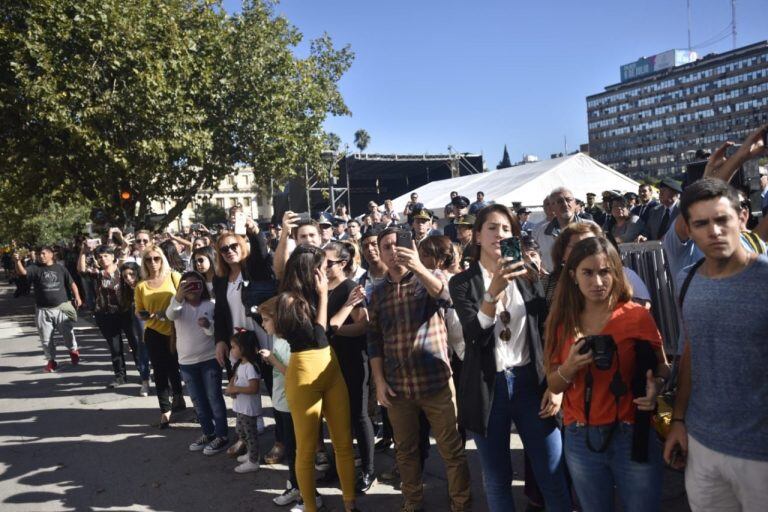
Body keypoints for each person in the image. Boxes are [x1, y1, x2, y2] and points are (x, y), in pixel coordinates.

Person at [448, 205, 570, 512]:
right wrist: (492, 294)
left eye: (507, 229)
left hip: (531, 382)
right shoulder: (462, 282)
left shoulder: (529, 277)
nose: (500, 235)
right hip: (488, 387)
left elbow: (548, 331)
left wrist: (556, 386)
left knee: (552, 473)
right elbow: (475, 335)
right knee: (497, 478)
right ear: (476, 235)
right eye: (492, 227)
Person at [663, 179, 768, 511]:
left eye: (722, 219)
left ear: (742, 217)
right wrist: (678, 420)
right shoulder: (688, 279)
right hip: (702, 444)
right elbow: (693, 351)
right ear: (690, 231)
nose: (714, 231)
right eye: (702, 223)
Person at [544, 237, 669, 512]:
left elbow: (663, 367)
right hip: (580, 436)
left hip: (631, 431)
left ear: (616, 272)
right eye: (588, 273)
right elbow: (553, 383)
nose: (597, 282)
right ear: (573, 275)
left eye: (605, 272)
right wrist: (570, 367)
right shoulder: (562, 320)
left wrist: (655, 388)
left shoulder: (636, 315)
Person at [368, 227, 471, 512]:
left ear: (412, 246)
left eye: (396, 244)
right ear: (380, 253)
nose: (392, 251)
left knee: (452, 450)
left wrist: (416, 265)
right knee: (406, 452)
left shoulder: (431, 277)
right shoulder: (376, 294)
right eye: (386, 247)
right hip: (398, 387)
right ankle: (412, 502)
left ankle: (461, 504)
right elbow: (374, 340)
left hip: (435, 381)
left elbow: (445, 296)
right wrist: (378, 381)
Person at [273, 245, 361, 512]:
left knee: (344, 442)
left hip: (329, 368)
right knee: (307, 449)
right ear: (311, 271)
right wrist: (324, 296)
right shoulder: (287, 301)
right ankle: (310, 506)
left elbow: (328, 333)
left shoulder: (311, 295)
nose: (326, 272)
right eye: (322, 268)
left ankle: (350, 504)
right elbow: (318, 336)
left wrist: (348, 303)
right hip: (304, 375)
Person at [324, 242, 376, 493]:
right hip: (330, 362)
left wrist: (334, 331)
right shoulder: (322, 288)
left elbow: (363, 325)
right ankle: (340, 466)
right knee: (336, 417)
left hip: (353, 360)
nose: (323, 266)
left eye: (328, 262)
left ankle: (368, 470)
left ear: (342, 264)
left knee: (358, 414)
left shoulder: (350, 288)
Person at [166, 271, 228, 455]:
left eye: (197, 285)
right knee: (198, 401)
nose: (193, 289)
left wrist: (208, 325)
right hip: (186, 362)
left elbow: (216, 332)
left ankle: (222, 435)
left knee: (214, 398)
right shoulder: (178, 306)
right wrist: (178, 296)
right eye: (188, 285)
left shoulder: (211, 304)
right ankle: (208, 433)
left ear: (203, 287)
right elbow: (170, 315)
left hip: (209, 359)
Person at [134, 244, 186, 428]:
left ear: (162, 259)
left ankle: (179, 397)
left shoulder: (174, 277)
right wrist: (145, 315)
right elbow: (138, 311)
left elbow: (186, 301)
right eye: (148, 259)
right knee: (160, 369)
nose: (153, 262)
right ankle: (165, 410)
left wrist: (166, 312)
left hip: (176, 330)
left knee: (175, 367)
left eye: (156, 258)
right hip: (153, 332)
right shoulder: (141, 286)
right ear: (144, 262)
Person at [257, 296, 301, 507]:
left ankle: (306, 494)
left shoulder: (291, 344)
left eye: (266, 319)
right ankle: (294, 485)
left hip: (292, 405)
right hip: (281, 402)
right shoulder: (277, 339)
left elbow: (293, 374)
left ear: (279, 319)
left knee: (296, 451)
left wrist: (272, 359)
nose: (263, 324)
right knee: (291, 450)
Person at [13, 246, 82, 372]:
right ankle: (51, 361)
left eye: (44, 253)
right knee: (46, 338)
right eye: (40, 254)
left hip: (61, 308)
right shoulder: (35, 268)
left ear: (51, 255)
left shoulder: (60, 268)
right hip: (43, 310)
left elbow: (71, 283)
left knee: (68, 333)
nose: (41, 256)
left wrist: (77, 297)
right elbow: (22, 272)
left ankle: (73, 351)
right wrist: (17, 261)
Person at [79, 245, 129, 387]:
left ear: (113, 257)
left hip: (125, 313)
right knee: (115, 348)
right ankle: (120, 376)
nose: (103, 259)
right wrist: (83, 252)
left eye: (106, 255)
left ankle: (144, 375)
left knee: (135, 345)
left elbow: (125, 258)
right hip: (105, 314)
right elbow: (82, 270)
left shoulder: (123, 272)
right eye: (100, 257)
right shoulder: (98, 274)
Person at [534, 187, 598, 272]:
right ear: (552, 206)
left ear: (575, 203)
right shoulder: (541, 232)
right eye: (560, 201)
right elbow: (534, 256)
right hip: (553, 282)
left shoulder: (591, 228)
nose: (565, 204)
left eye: (568, 200)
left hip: (583, 281)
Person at [226, 330, 263, 473]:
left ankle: (254, 460)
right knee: (240, 432)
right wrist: (231, 389)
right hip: (241, 408)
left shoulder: (251, 367)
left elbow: (253, 388)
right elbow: (233, 381)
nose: (231, 350)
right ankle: (249, 453)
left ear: (244, 348)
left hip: (249, 409)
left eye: (234, 347)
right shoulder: (239, 365)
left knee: (250, 434)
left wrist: (236, 389)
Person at [118, 262, 151, 396]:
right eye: (125, 277)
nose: (129, 279)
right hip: (138, 324)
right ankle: (145, 381)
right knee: (142, 349)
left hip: (155, 320)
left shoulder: (147, 284)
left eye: (132, 274)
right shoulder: (125, 291)